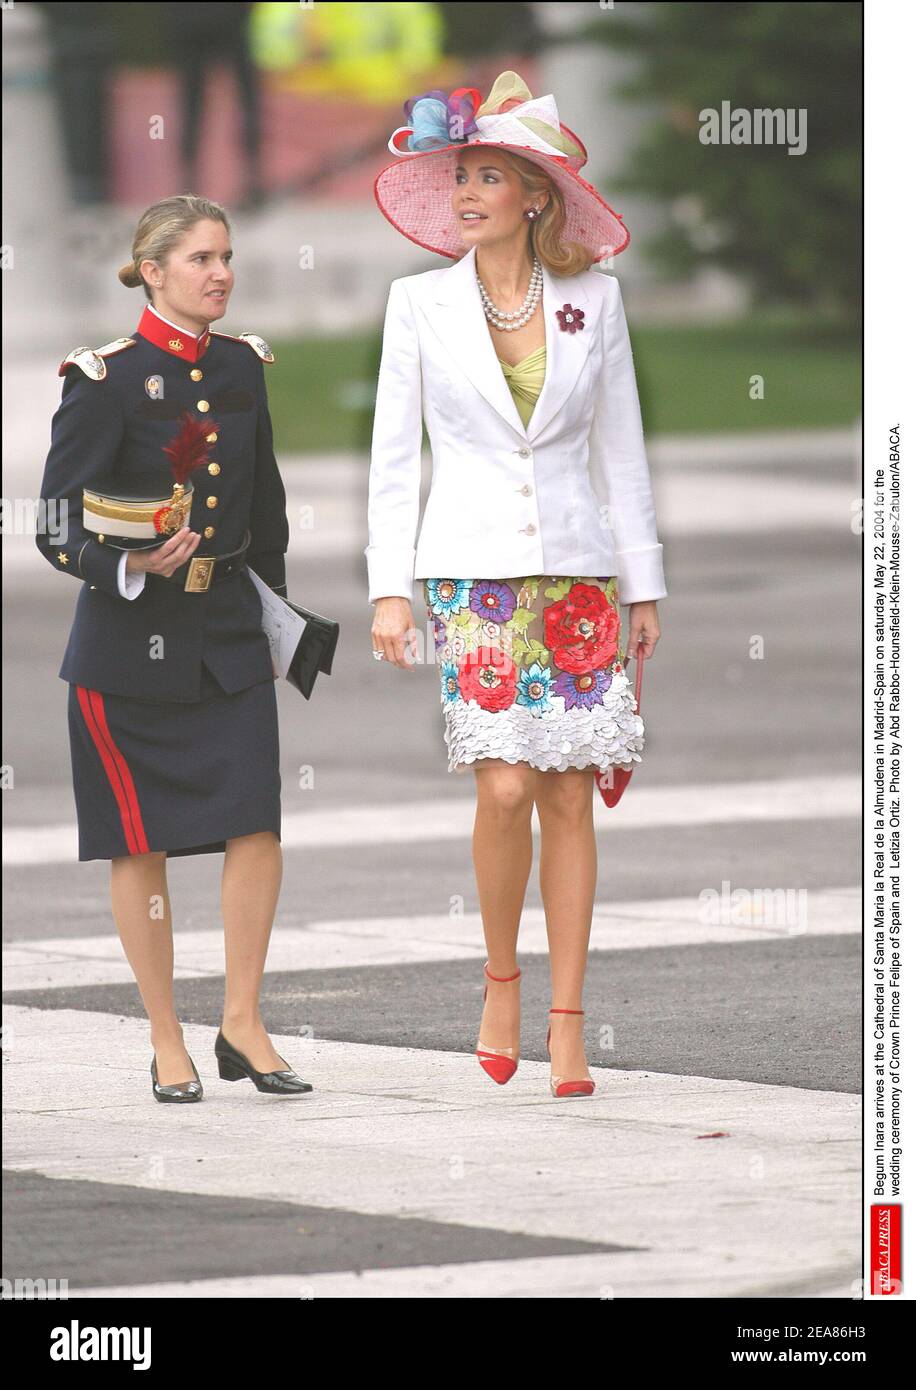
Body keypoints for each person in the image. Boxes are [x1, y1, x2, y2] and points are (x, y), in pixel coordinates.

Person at [367, 73, 667, 1098]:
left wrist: (642, 583)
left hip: (579, 572)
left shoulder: (597, 301)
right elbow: (392, 459)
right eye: (461, 173)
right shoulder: (416, 305)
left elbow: (620, 452)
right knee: (502, 785)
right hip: (470, 575)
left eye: (487, 175)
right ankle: (500, 979)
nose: (466, 192)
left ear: (533, 196)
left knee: (569, 794)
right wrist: (389, 587)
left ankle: (569, 1021)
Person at [36, 194, 311, 1101]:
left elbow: (263, 508)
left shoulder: (243, 366)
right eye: (200, 259)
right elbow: (53, 522)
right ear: (152, 272)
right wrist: (127, 563)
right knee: (139, 842)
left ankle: (243, 1021)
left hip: (229, 632)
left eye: (226, 256)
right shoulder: (103, 378)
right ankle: (166, 1037)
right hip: (128, 645)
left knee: (257, 824)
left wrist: (279, 617)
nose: (221, 273)